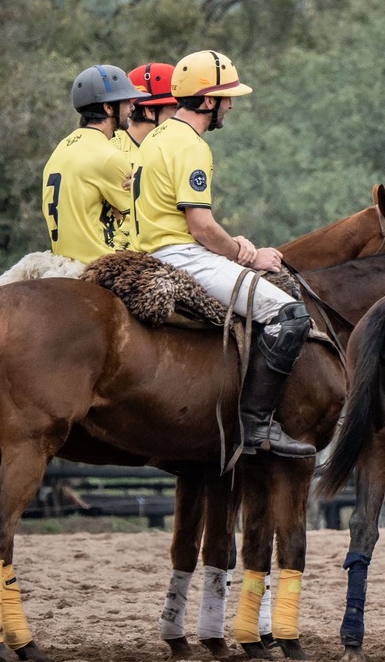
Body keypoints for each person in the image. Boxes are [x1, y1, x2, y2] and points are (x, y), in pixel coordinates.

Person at [133, 49, 314, 459]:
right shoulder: (191, 146)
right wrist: (245, 254)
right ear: (208, 100)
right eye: (227, 96)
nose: (231, 105)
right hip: (182, 255)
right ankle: (256, 426)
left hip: (153, 249)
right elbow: (200, 226)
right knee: (290, 316)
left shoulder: (158, 135)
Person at [41, 65, 148, 263]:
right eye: (126, 102)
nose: (133, 108)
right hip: (96, 263)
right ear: (108, 107)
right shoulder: (109, 156)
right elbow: (144, 221)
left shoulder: (62, 148)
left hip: (62, 261)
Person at [110, 61, 176, 249]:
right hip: (121, 254)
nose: (181, 117)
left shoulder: (172, 149)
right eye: (175, 109)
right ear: (149, 110)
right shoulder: (111, 148)